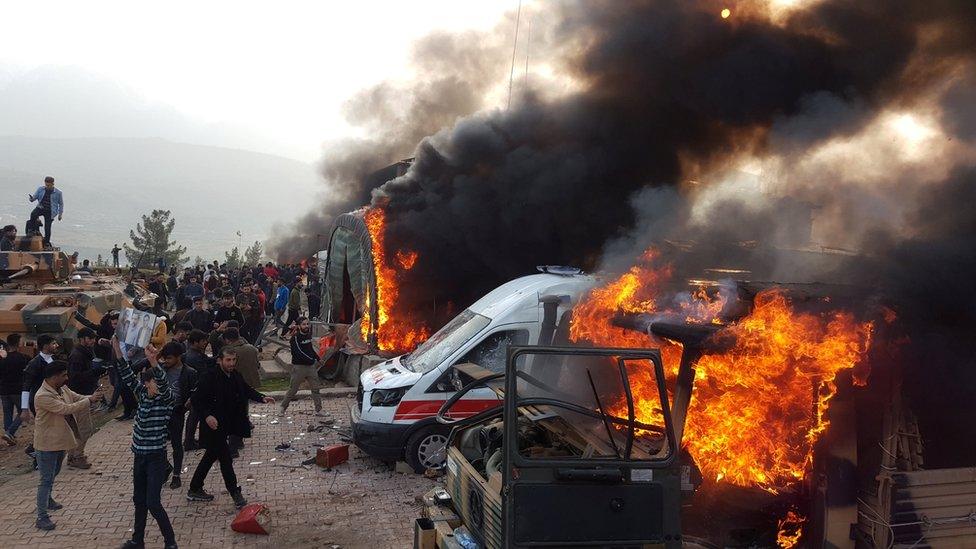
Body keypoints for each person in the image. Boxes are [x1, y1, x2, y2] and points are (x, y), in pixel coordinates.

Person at [187, 347, 274, 508]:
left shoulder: (234, 375)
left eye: (234, 360)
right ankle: (235, 493)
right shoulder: (209, 377)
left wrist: (262, 398)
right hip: (213, 426)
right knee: (226, 459)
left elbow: (245, 389)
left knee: (210, 456)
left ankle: (194, 488)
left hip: (226, 424)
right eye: (228, 360)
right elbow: (197, 400)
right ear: (220, 360)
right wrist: (207, 416)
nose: (231, 363)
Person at [112, 343, 179, 549]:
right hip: (139, 457)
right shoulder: (142, 394)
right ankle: (137, 540)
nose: (153, 386)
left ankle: (170, 543)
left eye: (154, 383)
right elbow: (125, 373)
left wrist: (153, 361)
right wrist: (117, 348)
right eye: (149, 383)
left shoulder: (166, 400)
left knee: (153, 502)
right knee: (138, 500)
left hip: (156, 458)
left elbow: (164, 384)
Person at [33, 361, 102, 531]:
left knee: (53, 474)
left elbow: (76, 397)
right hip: (46, 444)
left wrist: (90, 397)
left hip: (59, 442)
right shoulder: (42, 396)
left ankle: (48, 500)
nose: (66, 377)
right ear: (54, 376)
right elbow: (66, 409)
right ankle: (41, 516)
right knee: (45, 479)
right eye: (63, 375)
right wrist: (90, 400)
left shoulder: (62, 389)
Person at [156, 341, 197, 490]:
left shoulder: (189, 372)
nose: (166, 361)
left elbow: (195, 392)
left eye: (169, 358)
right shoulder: (160, 369)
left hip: (176, 413)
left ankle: (176, 475)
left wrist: (187, 404)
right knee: (158, 445)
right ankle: (166, 467)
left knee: (176, 444)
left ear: (178, 357)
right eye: (164, 358)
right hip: (160, 412)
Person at [66, 328, 104, 469]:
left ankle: (72, 455)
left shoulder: (86, 352)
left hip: (85, 394)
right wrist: (93, 372)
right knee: (85, 429)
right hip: (79, 396)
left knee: (76, 430)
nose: (93, 341)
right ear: (82, 339)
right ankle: (78, 456)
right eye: (90, 338)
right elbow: (74, 378)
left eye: (93, 338)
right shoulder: (77, 355)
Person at [280, 318, 324, 415]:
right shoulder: (295, 338)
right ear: (299, 326)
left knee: (316, 389)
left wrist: (317, 358)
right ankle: (282, 408)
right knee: (293, 390)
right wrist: (311, 360)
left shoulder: (308, 335)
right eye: (304, 324)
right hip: (299, 367)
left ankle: (319, 410)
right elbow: (298, 352)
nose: (306, 326)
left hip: (311, 367)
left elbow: (310, 348)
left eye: (307, 324)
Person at [182, 329, 212, 451]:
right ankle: (189, 442)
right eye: (203, 341)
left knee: (193, 417)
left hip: (193, 390)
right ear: (195, 342)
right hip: (197, 391)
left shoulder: (192, 353)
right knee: (194, 416)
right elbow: (203, 373)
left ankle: (189, 440)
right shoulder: (195, 357)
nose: (205, 343)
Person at [1, 334, 29, 445]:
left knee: (7, 413)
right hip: (18, 390)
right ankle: (10, 432)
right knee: (23, 412)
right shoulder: (23, 358)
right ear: (18, 343)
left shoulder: (3, 359)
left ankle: (10, 437)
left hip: (4, 390)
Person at [27, 176, 64, 247]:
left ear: (53, 184)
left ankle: (47, 241)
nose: (47, 186)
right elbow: (34, 197)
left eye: (49, 185)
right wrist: (31, 199)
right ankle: (31, 230)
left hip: (50, 211)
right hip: (41, 208)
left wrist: (60, 214)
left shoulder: (58, 192)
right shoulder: (41, 189)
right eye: (46, 185)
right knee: (33, 214)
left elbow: (61, 204)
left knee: (47, 227)